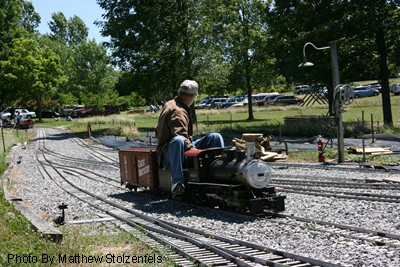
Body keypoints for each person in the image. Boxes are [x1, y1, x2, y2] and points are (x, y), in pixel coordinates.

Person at [155, 80, 224, 198]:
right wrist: (194, 150)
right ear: (192, 96)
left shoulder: (173, 103)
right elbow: (180, 135)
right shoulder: (177, 111)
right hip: (169, 154)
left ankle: (220, 171)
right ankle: (177, 182)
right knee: (178, 141)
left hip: (181, 147)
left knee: (214, 137)